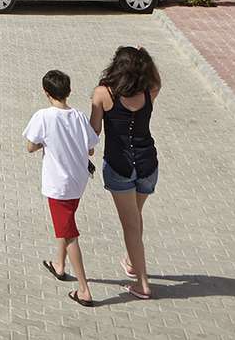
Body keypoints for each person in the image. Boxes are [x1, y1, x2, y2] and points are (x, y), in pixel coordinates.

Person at [90, 46, 160, 300]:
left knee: (130, 224)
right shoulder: (150, 90)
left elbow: (94, 132)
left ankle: (142, 283)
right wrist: (147, 57)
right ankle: (132, 261)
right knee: (136, 216)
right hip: (147, 163)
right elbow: (157, 79)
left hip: (119, 165)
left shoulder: (103, 93)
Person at [26, 69, 101, 307]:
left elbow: (30, 146)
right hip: (78, 181)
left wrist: (45, 144)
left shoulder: (43, 116)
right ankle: (59, 264)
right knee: (65, 222)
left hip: (58, 185)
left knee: (69, 234)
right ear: (69, 91)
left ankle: (84, 290)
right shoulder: (78, 116)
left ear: (46, 92)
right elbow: (91, 148)